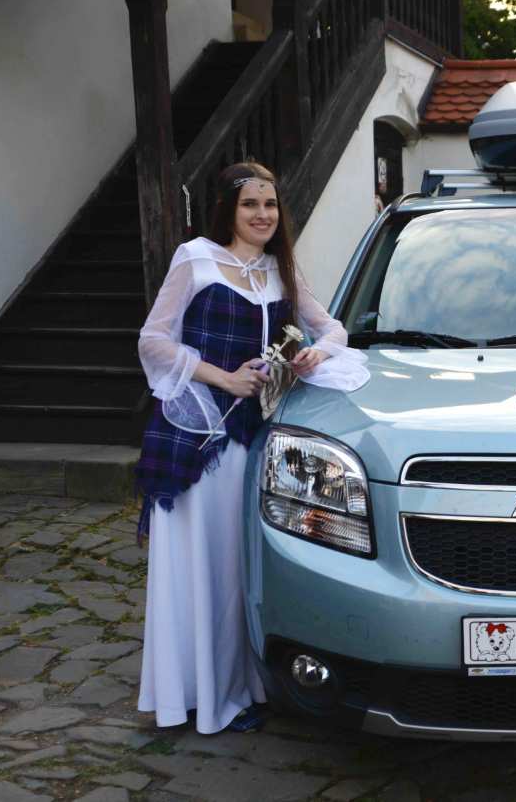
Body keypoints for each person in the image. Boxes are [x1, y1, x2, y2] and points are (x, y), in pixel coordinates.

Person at [135, 161, 368, 733]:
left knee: (239, 568)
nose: (263, 215)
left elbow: (333, 329)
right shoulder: (195, 258)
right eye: (250, 205)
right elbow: (153, 340)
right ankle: (196, 695)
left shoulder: (280, 270)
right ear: (229, 210)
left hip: (253, 439)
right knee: (200, 567)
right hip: (196, 438)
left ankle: (241, 688)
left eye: (270, 205)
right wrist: (223, 377)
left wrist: (315, 353)